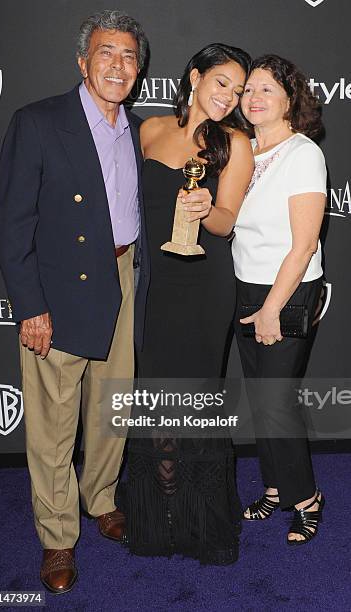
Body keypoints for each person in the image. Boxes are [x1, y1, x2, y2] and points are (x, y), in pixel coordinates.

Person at [0, 11, 149, 593]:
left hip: (124, 276)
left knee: (114, 405)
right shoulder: (38, 122)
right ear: (83, 62)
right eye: (107, 53)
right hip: (59, 289)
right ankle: (57, 537)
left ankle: (100, 497)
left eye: (129, 56)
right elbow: (11, 226)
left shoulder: (135, 128)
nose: (118, 64)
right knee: (53, 426)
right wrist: (30, 305)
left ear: (139, 69)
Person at [124, 43, 254, 565]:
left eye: (239, 90)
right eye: (222, 82)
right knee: (154, 402)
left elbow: (228, 220)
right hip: (154, 287)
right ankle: (159, 519)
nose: (229, 97)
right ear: (195, 76)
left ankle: (204, 526)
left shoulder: (235, 143)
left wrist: (206, 210)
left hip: (204, 289)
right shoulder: (148, 130)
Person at [233, 54, 327, 545]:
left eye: (267, 88)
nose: (254, 97)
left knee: (276, 402)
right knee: (260, 399)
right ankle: (275, 485)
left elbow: (304, 243)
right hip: (244, 285)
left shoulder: (303, 154)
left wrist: (272, 308)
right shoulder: (243, 150)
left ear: (291, 99)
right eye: (249, 88)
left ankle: (308, 498)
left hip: (286, 291)